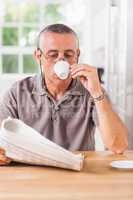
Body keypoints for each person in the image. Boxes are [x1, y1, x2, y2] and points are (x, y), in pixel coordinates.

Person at [0, 23, 128, 165]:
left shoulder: (92, 91)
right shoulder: (18, 92)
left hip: (78, 173)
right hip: (31, 173)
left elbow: (118, 146)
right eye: (53, 55)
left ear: (77, 55)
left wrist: (97, 92)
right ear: (38, 56)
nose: (61, 61)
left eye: (68, 55)